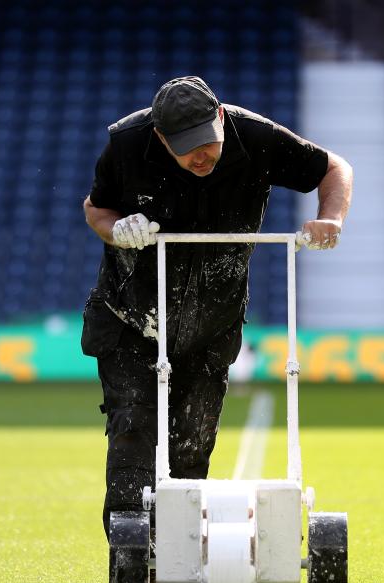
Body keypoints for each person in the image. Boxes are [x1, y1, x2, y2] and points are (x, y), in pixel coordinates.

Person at [82, 76, 353, 536]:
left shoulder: (256, 136)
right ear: (160, 137)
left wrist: (330, 217)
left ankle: (177, 550)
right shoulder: (126, 144)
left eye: (209, 140)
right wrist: (117, 228)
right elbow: (96, 208)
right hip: (130, 318)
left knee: (192, 446)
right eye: (187, 147)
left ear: (222, 118)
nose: (202, 154)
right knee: (132, 430)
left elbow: (334, 168)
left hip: (212, 325)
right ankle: (128, 554)